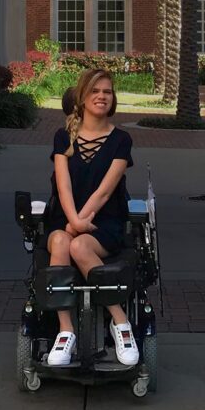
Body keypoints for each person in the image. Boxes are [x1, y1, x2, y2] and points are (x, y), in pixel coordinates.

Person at [45, 69, 139, 367]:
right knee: (61, 240)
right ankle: (65, 330)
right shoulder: (63, 137)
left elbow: (104, 191)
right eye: (95, 91)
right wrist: (71, 222)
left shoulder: (121, 140)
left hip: (103, 223)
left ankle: (120, 323)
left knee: (79, 246)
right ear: (82, 98)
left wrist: (81, 223)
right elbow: (63, 186)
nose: (101, 96)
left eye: (107, 92)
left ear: (113, 100)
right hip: (65, 217)